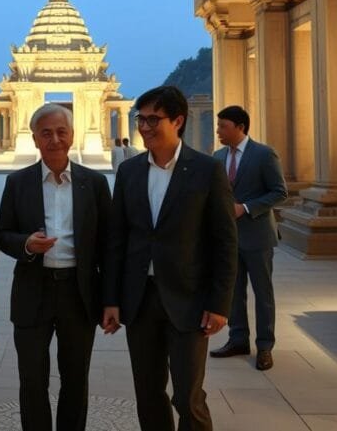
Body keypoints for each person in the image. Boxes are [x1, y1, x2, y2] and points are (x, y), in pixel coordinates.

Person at [102, 85, 238, 431]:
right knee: (148, 393)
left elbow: (224, 242)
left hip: (189, 299)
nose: (144, 127)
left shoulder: (207, 170)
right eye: (140, 119)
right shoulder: (130, 172)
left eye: (153, 119)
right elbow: (117, 240)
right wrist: (112, 300)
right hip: (140, 299)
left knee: (188, 397)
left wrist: (220, 304)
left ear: (177, 121)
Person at [0, 104, 112, 431]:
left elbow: (109, 243)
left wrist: (111, 299)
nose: (55, 139)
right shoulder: (18, 183)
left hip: (80, 292)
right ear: (34, 139)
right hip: (34, 290)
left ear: (72, 136)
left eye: (62, 132)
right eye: (46, 133)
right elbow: (2, 234)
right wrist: (26, 245)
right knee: (32, 378)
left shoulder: (95, 183)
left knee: (76, 377)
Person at [208, 106, 287, 371]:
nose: (218, 130)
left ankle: (265, 346)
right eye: (218, 126)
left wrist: (246, 207)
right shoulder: (217, 157)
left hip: (258, 236)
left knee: (262, 293)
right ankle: (238, 339)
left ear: (240, 127)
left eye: (223, 126)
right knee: (233, 292)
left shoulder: (264, 154)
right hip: (228, 238)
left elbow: (279, 192)